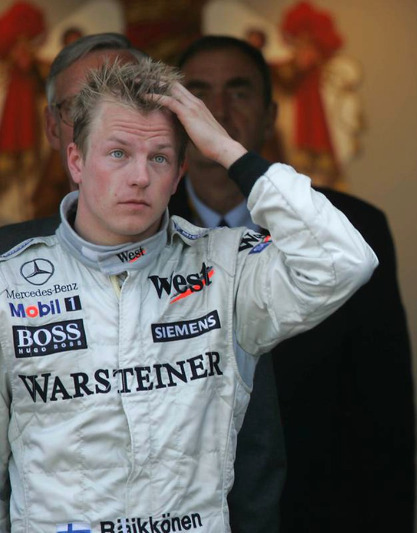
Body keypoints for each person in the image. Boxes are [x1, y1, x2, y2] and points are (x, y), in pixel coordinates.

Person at [0, 57, 376, 531]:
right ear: (76, 161)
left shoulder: (226, 267)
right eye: (118, 153)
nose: (139, 176)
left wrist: (228, 151)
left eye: (158, 157)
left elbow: (344, 261)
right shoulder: (9, 284)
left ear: (179, 173)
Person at [173, 36, 414, 532]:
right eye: (199, 94)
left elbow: (383, 407)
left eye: (238, 92)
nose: (218, 111)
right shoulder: (142, 229)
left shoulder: (348, 226)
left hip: (320, 508)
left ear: (269, 113)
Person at [0, 33, 143, 251]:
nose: (106, 127)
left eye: (126, 101)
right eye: (79, 107)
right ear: (53, 128)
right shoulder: (8, 260)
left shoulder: (204, 249)